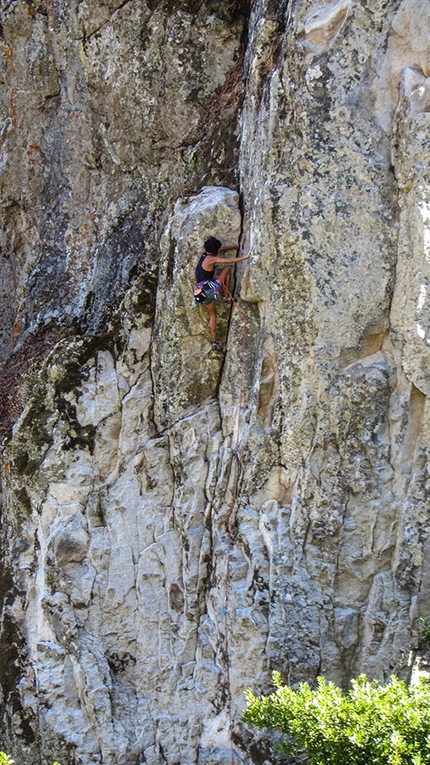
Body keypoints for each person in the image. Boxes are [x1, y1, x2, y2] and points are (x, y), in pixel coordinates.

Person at [194, 236, 250, 351]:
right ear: (214, 251)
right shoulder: (212, 259)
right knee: (227, 270)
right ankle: (227, 296)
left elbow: (219, 250)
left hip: (201, 292)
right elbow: (229, 261)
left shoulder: (204, 255)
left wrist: (233, 247)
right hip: (210, 289)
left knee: (212, 315)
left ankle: (215, 342)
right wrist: (246, 257)